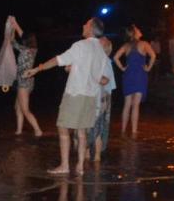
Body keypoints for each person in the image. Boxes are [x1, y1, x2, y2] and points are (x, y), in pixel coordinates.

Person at [24, 17, 110, 176]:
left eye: (86, 23)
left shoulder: (80, 45)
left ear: (91, 28)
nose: (83, 25)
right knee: (82, 132)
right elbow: (98, 76)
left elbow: (58, 60)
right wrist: (77, 68)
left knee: (63, 128)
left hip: (75, 94)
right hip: (90, 96)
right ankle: (80, 166)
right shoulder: (101, 51)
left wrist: (38, 68)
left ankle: (64, 166)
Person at [113, 24, 156, 136]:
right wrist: (148, 67)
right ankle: (134, 131)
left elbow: (115, 57)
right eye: (137, 29)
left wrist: (122, 68)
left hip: (128, 75)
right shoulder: (144, 44)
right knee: (136, 104)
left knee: (127, 104)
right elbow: (153, 56)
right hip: (140, 75)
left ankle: (123, 130)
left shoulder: (126, 46)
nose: (140, 30)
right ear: (134, 33)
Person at [87, 37, 117, 163]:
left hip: (101, 99)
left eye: (99, 44)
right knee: (92, 127)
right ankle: (90, 156)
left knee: (97, 127)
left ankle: (96, 156)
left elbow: (105, 81)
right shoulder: (101, 61)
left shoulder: (105, 62)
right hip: (98, 97)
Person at [12, 29, 43, 137]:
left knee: (25, 109)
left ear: (25, 40)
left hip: (23, 82)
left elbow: (13, 42)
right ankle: (19, 130)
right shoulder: (33, 50)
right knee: (18, 107)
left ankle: (38, 130)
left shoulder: (24, 50)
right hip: (27, 81)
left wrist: (11, 29)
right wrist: (14, 25)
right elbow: (21, 37)